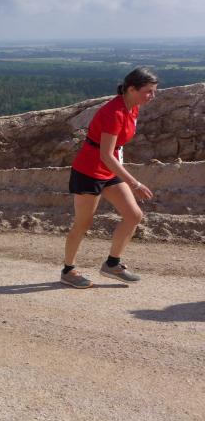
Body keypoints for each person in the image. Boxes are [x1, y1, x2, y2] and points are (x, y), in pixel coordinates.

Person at [61, 67, 158, 288]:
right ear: (131, 89)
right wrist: (135, 183)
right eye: (148, 91)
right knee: (83, 223)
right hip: (88, 172)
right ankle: (68, 270)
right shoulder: (114, 113)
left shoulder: (132, 107)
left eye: (154, 91)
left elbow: (114, 151)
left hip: (109, 170)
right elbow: (106, 155)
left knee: (133, 215)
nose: (152, 96)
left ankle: (112, 264)